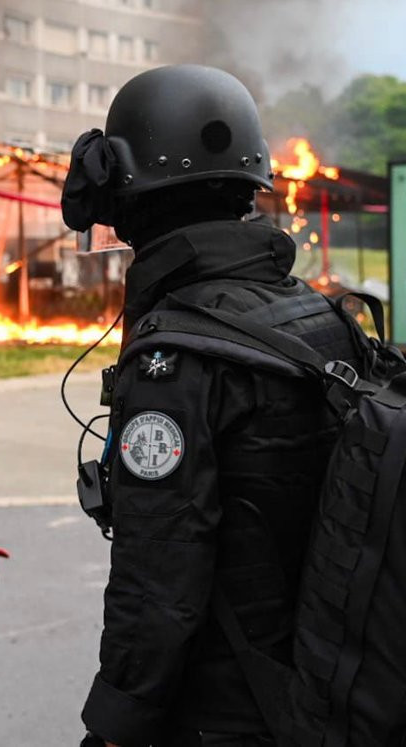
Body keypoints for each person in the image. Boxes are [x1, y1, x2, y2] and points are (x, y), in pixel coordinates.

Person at [62, 65, 376, 747]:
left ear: (129, 191)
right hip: (328, 693)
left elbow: (160, 577)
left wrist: (115, 724)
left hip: (225, 712)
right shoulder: (325, 317)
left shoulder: (174, 362)